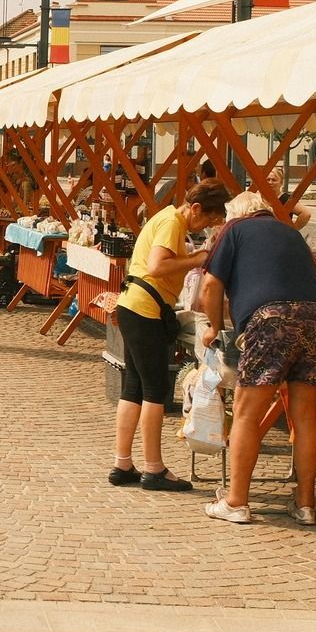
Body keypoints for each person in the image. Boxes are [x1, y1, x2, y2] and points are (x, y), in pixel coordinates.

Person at [198, 191, 316, 526]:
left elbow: (210, 286)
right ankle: (305, 505)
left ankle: (236, 502)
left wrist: (214, 327)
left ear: (235, 214)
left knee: (246, 413)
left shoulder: (234, 229)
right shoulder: (289, 231)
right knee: (305, 417)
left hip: (271, 320)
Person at [108, 179, 230, 493]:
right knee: (155, 389)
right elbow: (157, 265)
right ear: (196, 208)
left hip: (133, 305)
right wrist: (199, 258)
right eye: (209, 219)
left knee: (133, 387)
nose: (207, 226)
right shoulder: (173, 222)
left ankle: (123, 464)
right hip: (145, 309)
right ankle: (154, 468)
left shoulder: (165, 219)